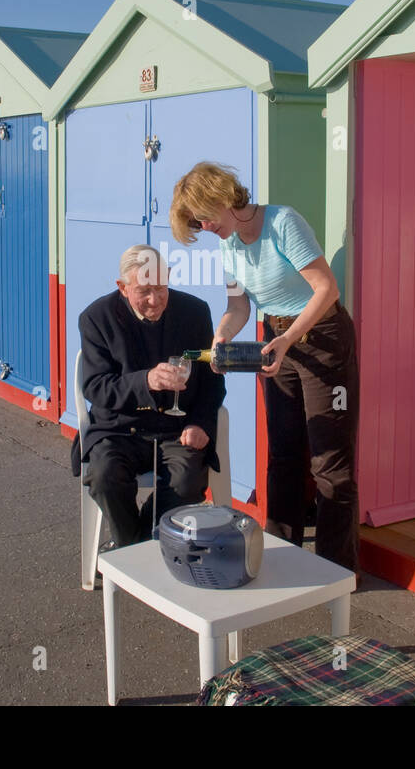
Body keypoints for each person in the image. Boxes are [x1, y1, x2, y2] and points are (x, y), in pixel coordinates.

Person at [170, 163, 360, 573]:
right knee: (284, 453)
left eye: (203, 216)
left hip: (322, 337)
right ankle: (282, 555)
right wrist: (221, 336)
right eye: (195, 224)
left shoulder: (282, 222)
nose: (203, 227)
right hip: (275, 337)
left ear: (221, 197)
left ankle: (337, 570)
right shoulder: (228, 245)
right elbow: (239, 307)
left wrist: (289, 340)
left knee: (330, 461)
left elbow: (327, 288)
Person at [78, 244, 227, 549]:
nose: (154, 299)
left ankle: (133, 546)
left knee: (187, 483)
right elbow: (95, 387)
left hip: (177, 429)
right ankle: (135, 550)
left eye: (161, 288)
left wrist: (200, 423)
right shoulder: (97, 317)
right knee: (105, 477)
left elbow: (212, 379)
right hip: (120, 428)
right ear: (123, 287)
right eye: (144, 291)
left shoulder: (195, 312)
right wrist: (145, 380)